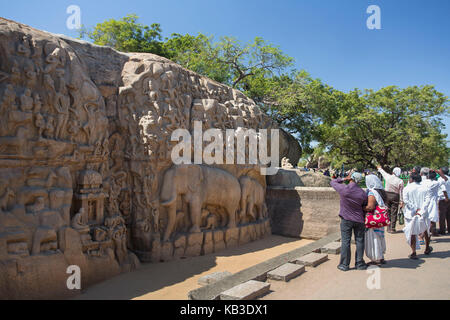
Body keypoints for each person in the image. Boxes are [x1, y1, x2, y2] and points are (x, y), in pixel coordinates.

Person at [330, 172, 368, 271]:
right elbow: (364, 205)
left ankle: (344, 264)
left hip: (346, 219)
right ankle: (359, 263)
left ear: (351, 178)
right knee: (360, 241)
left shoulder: (344, 189)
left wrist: (343, 179)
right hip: (359, 219)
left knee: (346, 241)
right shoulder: (362, 193)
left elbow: (332, 182)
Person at [402, 172, 432, 259]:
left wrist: (415, 209)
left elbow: (406, 201)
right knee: (426, 230)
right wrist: (421, 210)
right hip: (423, 213)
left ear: (412, 179)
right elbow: (427, 200)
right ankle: (427, 248)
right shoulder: (426, 188)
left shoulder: (407, 188)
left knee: (411, 232)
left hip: (411, 213)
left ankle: (413, 252)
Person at [364, 175, 388, 265]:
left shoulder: (371, 193)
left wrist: (362, 208)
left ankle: (376, 259)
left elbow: (370, 207)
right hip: (379, 219)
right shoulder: (380, 192)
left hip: (373, 220)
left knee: (373, 238)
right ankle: (380, 257)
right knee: (379, 237)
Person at [377, 166, 404, 233]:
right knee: (394, 212)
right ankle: (392, 228)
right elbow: (401, 192)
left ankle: (388, 227)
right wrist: (401, 201)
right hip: (395, 196)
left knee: (387, 211)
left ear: (393, 172)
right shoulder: (400, 181)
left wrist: (379, 168)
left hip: (387, 195)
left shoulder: (388, 177)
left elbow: (383, 172)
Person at [422, 169, 448, 236]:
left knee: (424, 217)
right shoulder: (436, 183)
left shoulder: (424, 182)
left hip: (424, 201)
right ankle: (432, 232)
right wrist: (438, 172)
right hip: (432, 202)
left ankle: (425, 233)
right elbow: (445, 178)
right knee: (432, 218)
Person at [438, 167, 450, 235]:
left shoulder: (440, 179)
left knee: (442, 215)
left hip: (443, 199)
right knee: (449, 214)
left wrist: (446, 197)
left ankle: (442, 230)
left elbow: (443, 189)